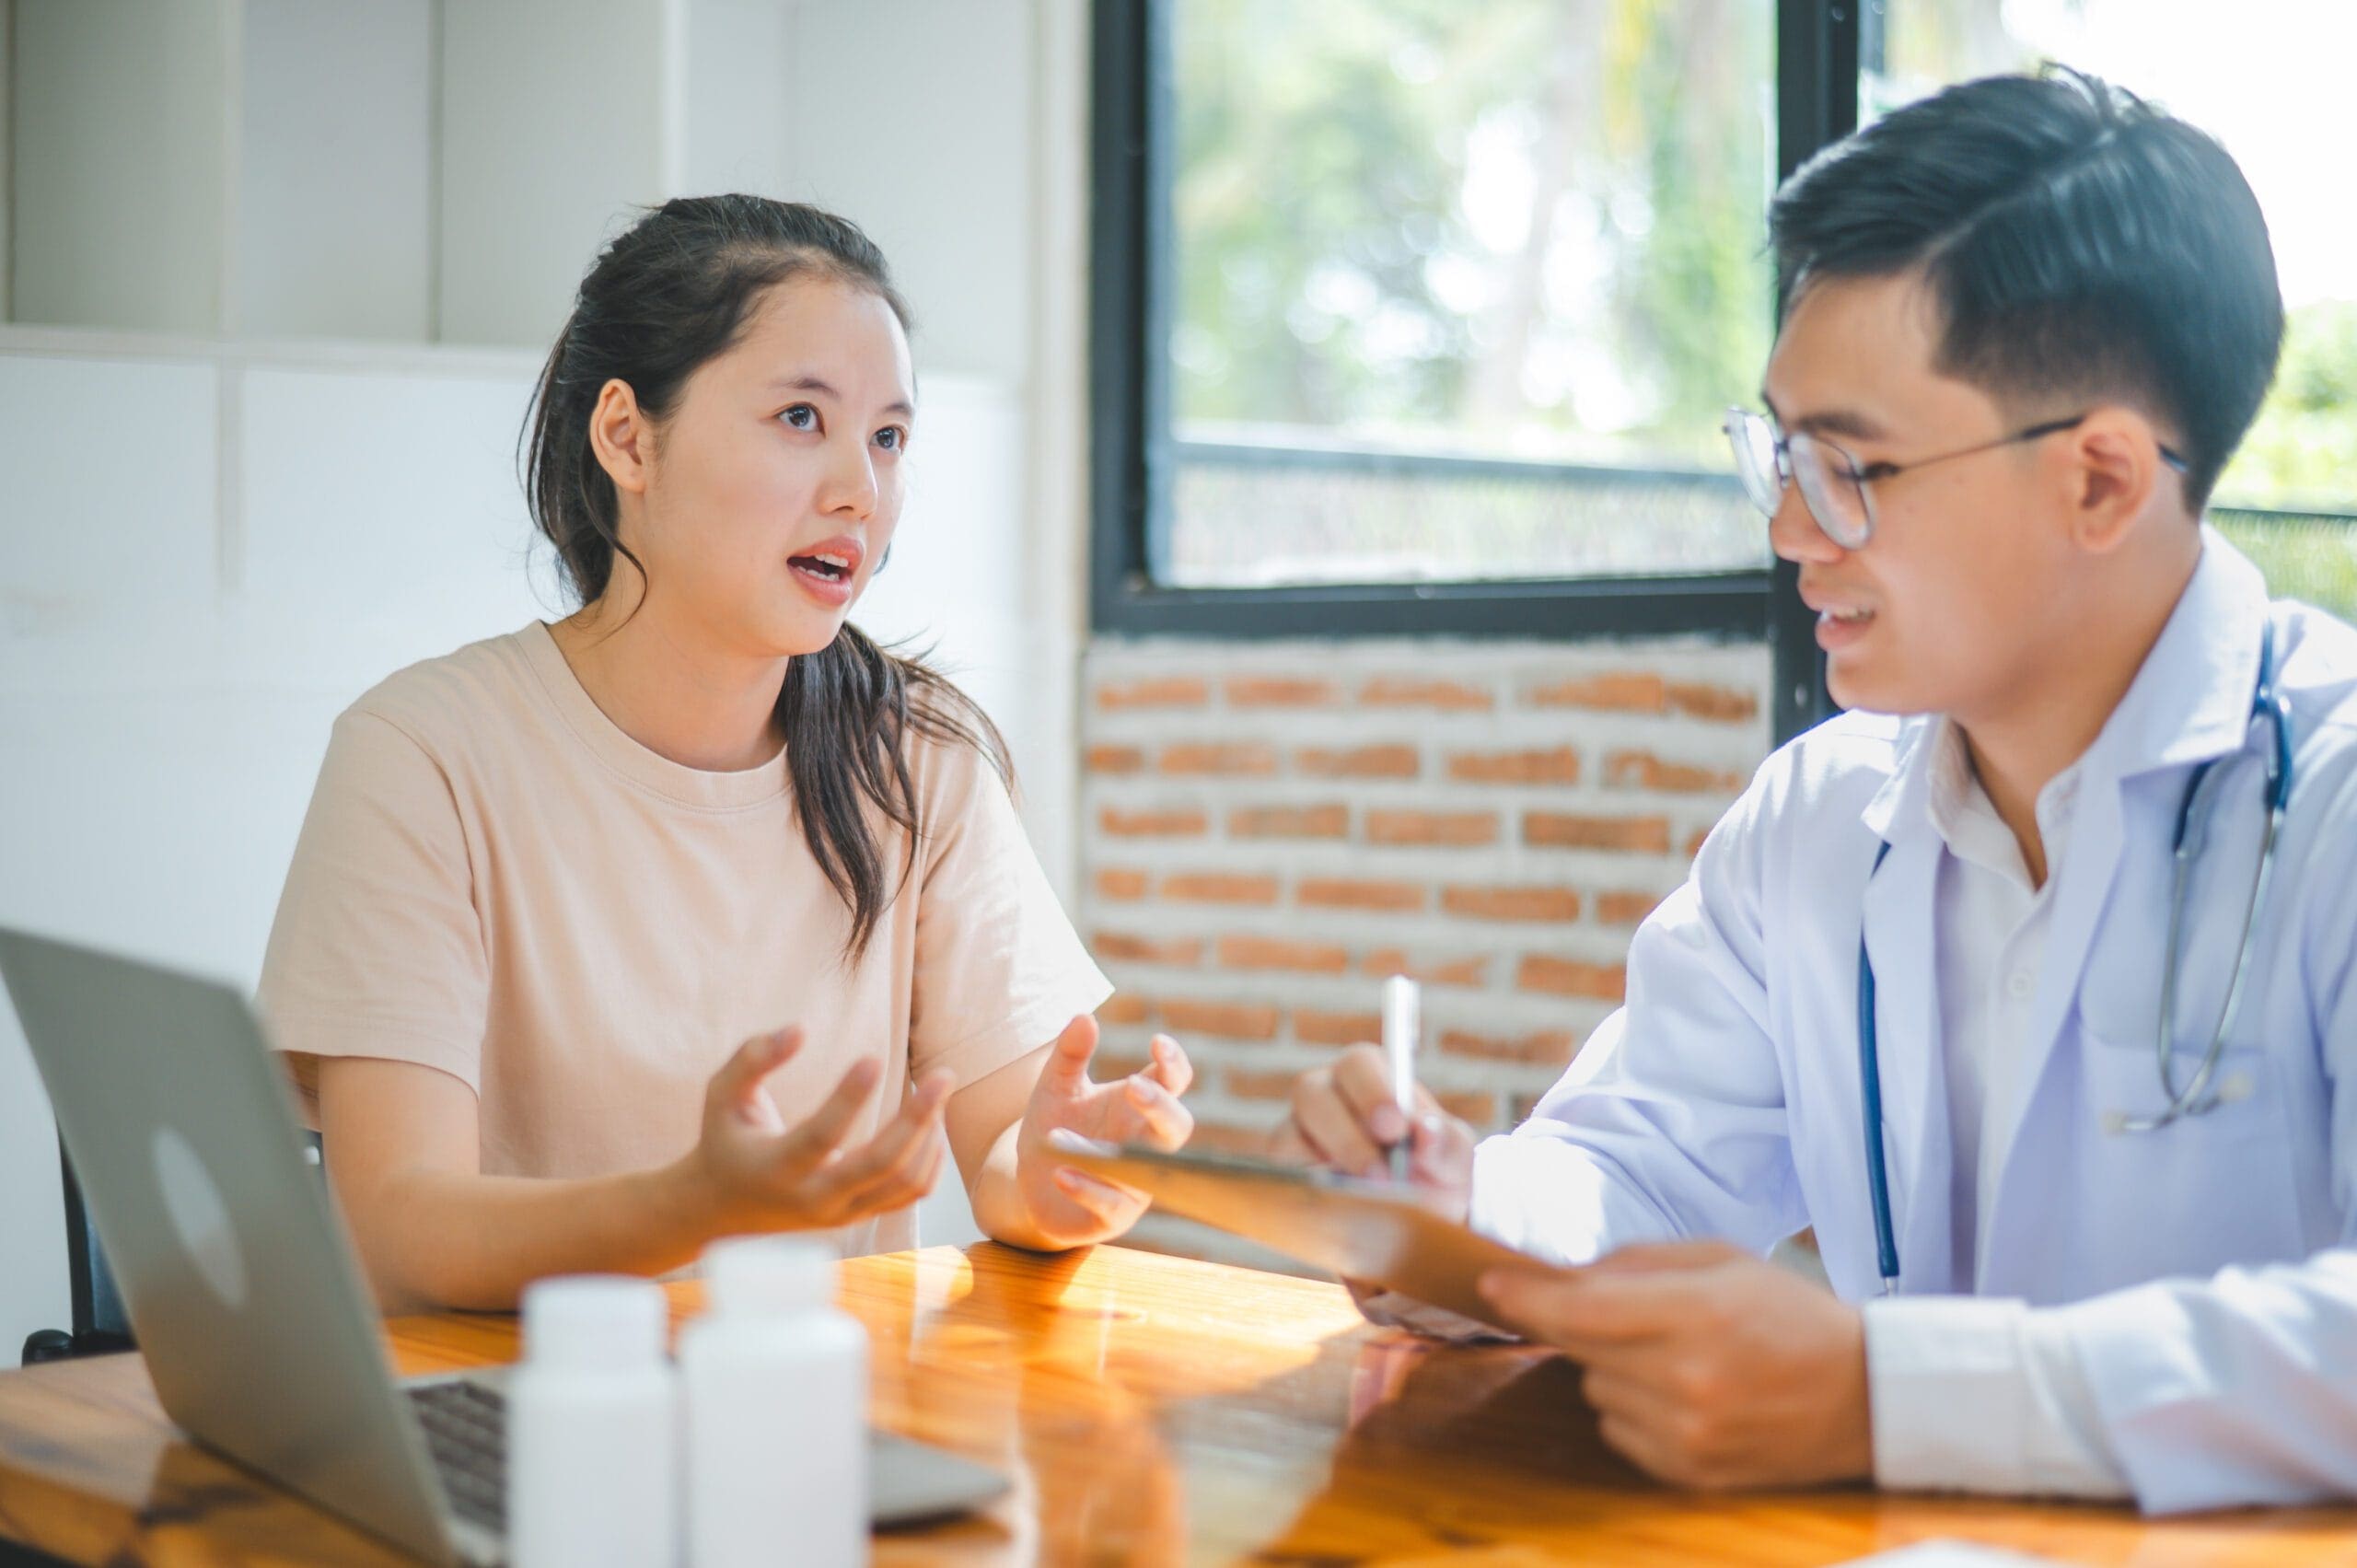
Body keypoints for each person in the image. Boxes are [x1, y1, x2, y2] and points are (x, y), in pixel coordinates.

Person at [1276, 68, 2357, 1513]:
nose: (1790, 527)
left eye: (1852, 464)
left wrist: (1885, 1394)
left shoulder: (2332, 794)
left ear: (2100, 481)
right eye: (1779, 454)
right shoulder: (1819, 816)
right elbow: (1642, 1170)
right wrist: (1459, 1211)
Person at [259, 196, 1191, 1312]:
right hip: (511, 1424)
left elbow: (1009, 1153)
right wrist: (696, 1202)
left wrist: (1069, 1174)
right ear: (626, 436)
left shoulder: (918, 769)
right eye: (802, 417)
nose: (861, 488)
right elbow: (404, 1225)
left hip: (815, 1422)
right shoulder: (421, 754)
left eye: (888, 436)